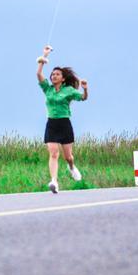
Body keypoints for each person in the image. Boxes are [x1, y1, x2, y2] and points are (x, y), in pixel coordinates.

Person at [36, 45, 88, 193]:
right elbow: (38, 74)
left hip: (64, 123)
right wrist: (43, 57)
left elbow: (83, 98)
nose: (54, 76)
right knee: (53, 153)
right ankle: (54, 181)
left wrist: (85, 88)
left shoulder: (69, 90)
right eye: (52, 75)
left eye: (57, 74)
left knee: (68, 156)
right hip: (51, 123)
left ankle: (71, 167)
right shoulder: (48, 89)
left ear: (63, 78)